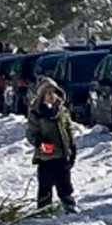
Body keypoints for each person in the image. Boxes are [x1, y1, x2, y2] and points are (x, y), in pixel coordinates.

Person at [25, 76, 78, 213]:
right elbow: (31, 133)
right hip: (46, 156)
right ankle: (43, 210)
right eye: (47, 93)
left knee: (64, 183)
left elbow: (68, 128)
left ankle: (69, 205)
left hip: (62, 154)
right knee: (45, 184)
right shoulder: (37, 112)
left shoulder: (61, 111)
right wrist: (40, 143)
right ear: (42, 95)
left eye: (53, 92)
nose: (51, 96)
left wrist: (72, 146)